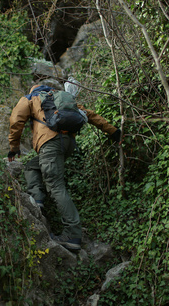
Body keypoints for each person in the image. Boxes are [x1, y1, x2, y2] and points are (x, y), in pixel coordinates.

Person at [7, 80, 121, 250]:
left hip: (49, 143)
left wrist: (14, 147)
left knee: (55, 186)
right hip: (67, 144)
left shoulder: (31, 98)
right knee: (31, 165)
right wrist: (113, 131)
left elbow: (16, 120)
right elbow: (89, 114)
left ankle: (73, 235)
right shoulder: (62, 97)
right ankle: (37, 199)